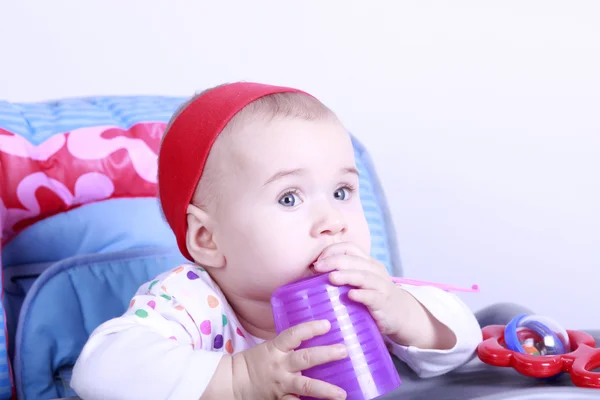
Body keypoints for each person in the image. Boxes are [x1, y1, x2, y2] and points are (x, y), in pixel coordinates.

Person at [71, 82, 482, 400]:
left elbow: (465, 340)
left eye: (342, 192)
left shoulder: (364, 294)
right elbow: (98, 370)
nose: (332, 221)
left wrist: (404, 312)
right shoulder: (192, 303)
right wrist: (240, 379)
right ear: (207, 239)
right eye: (289, 198)